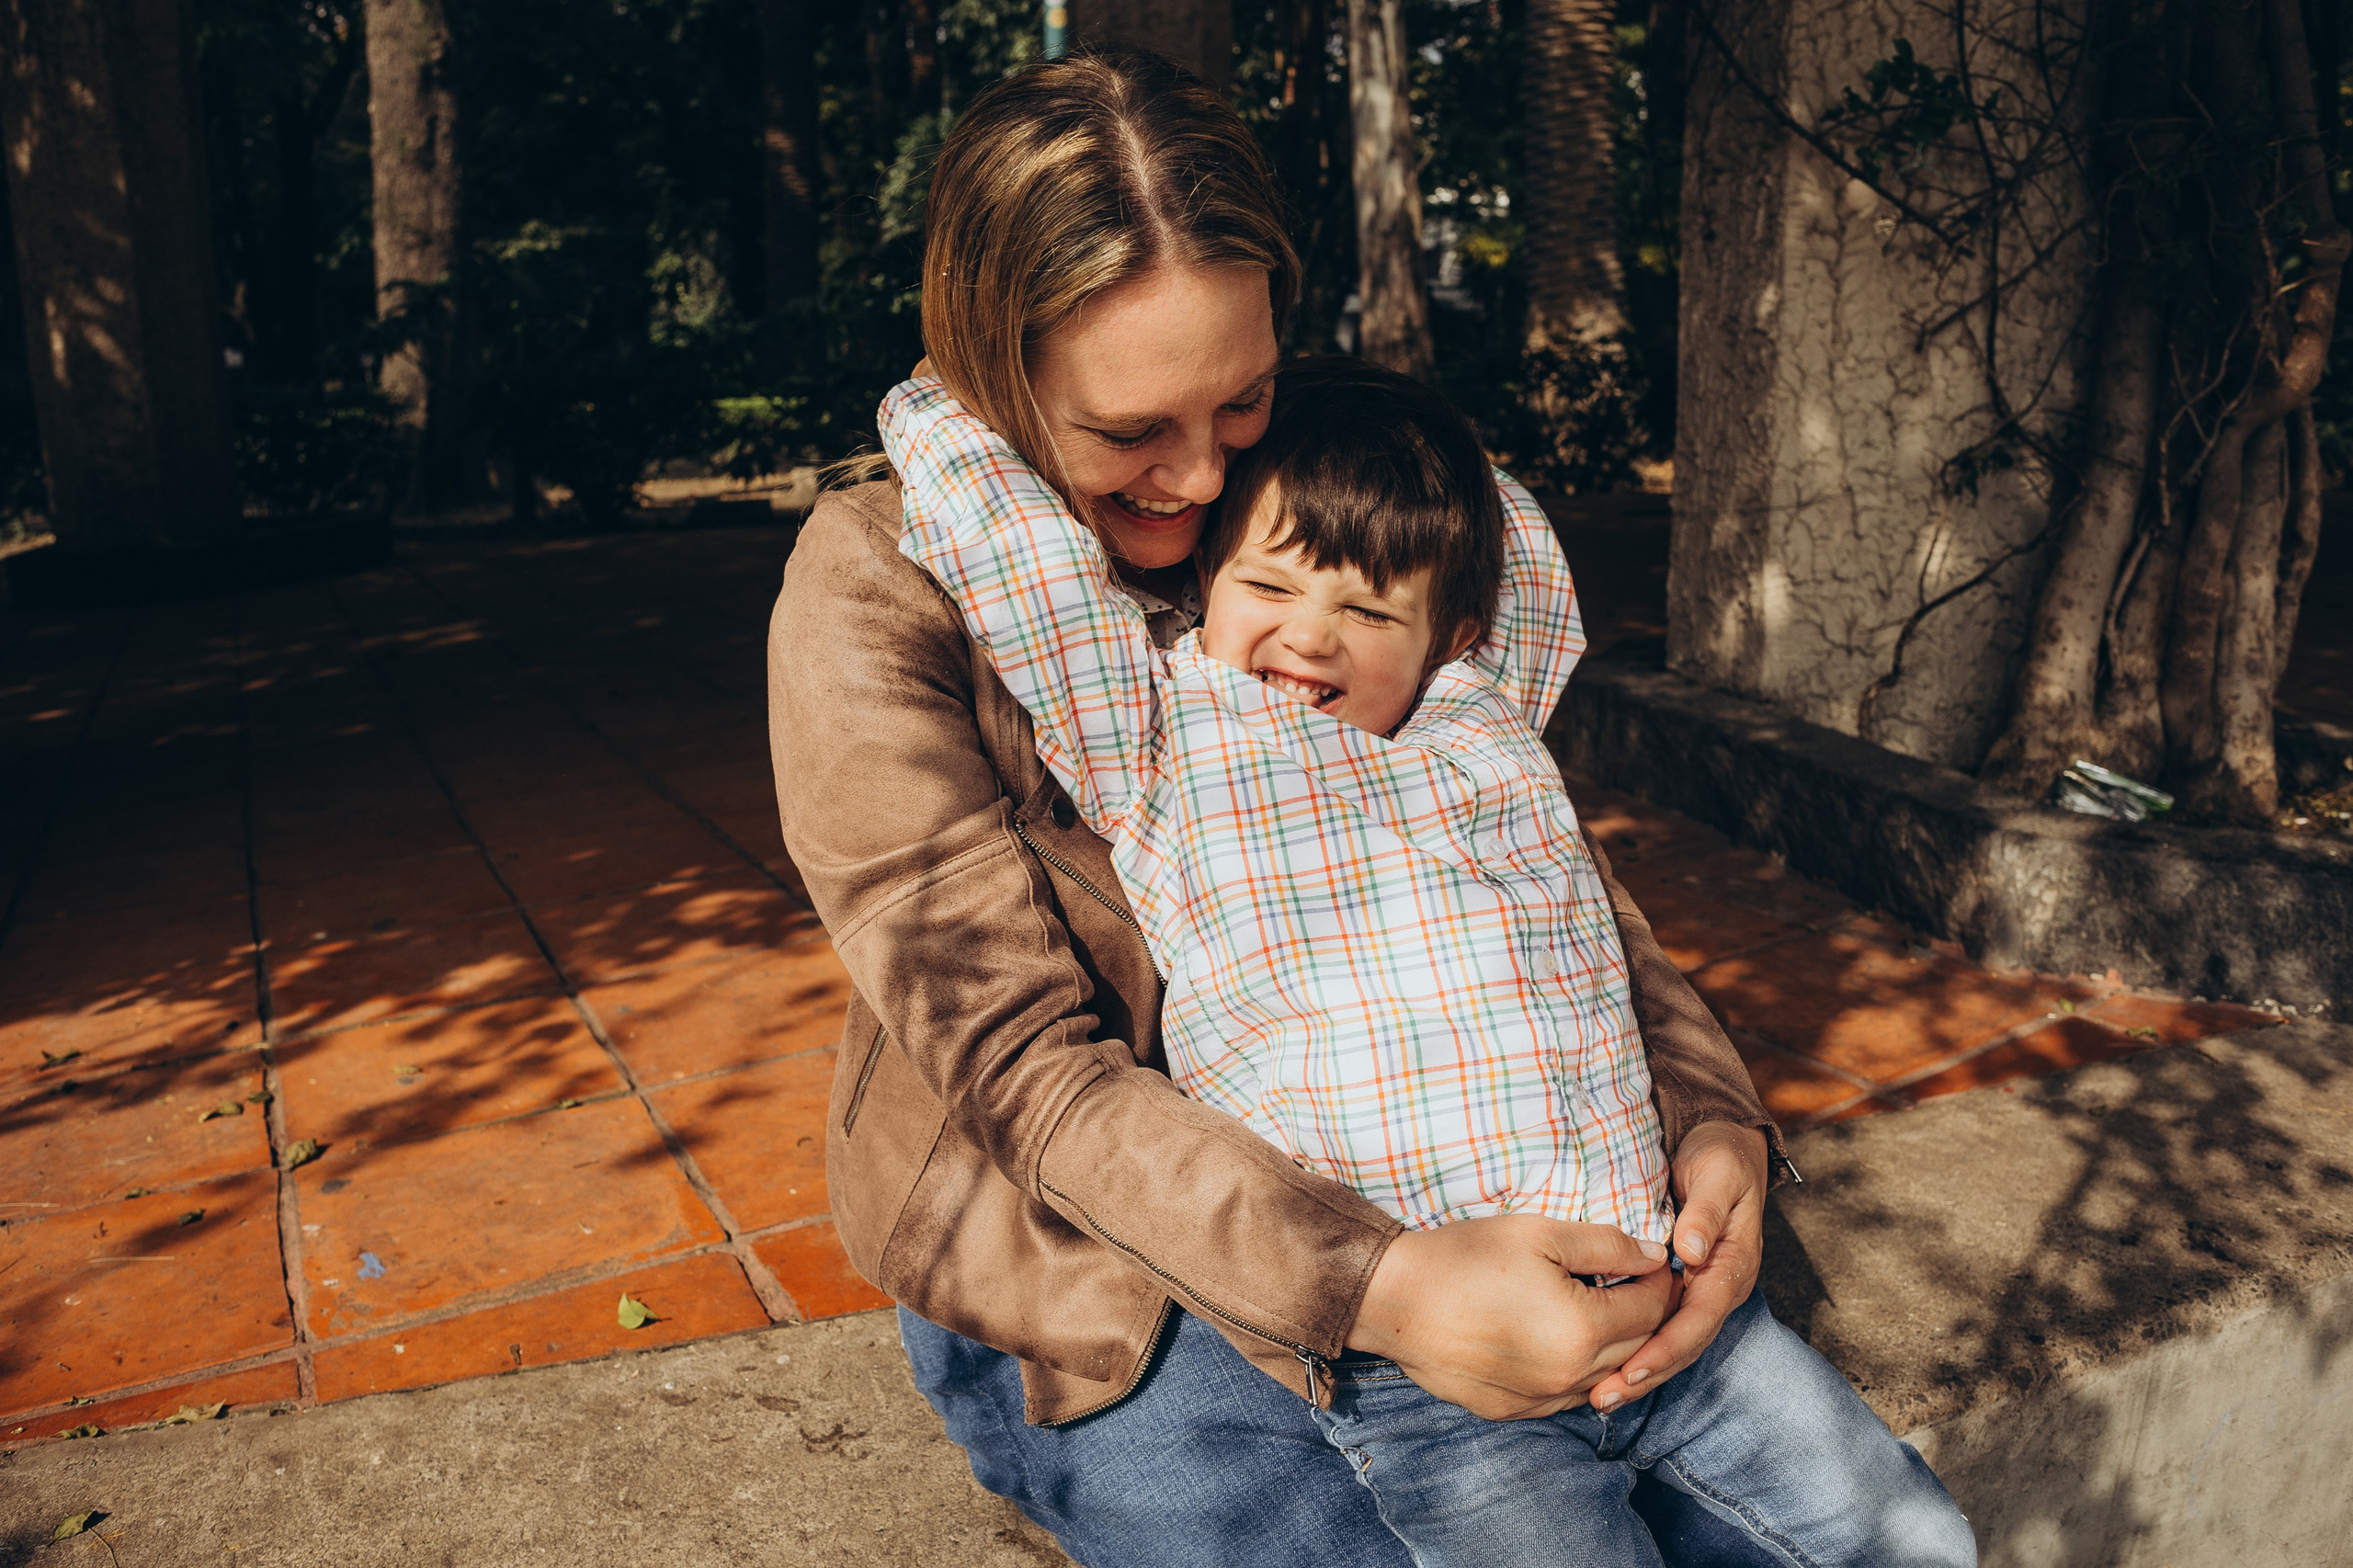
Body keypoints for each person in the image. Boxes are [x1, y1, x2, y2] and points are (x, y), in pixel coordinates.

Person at [767, 46, 1809, 1568]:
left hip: (1436, 1159)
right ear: (995, 366)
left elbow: (1517, 854)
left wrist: (1714, 1119)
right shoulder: (875, 588)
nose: (1197, 484)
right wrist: (1389, 1289)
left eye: (1240, 399)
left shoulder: (1305, 503)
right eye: (1129, 434)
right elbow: (1024, 1068)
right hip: (1094, 1262)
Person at [879, 357, 1979, 1565]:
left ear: (1454, 632)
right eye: (1270, 582)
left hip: (1665, 1304)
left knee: (1917, 1534)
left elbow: (1498, 526)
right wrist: (957, 389)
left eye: (1367, 609)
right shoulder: (1156, 730)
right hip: (1422, 1367)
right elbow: (1018, 565)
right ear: (1208, 584)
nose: (1309, 630)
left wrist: (1349, 432)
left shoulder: (1479, 709)